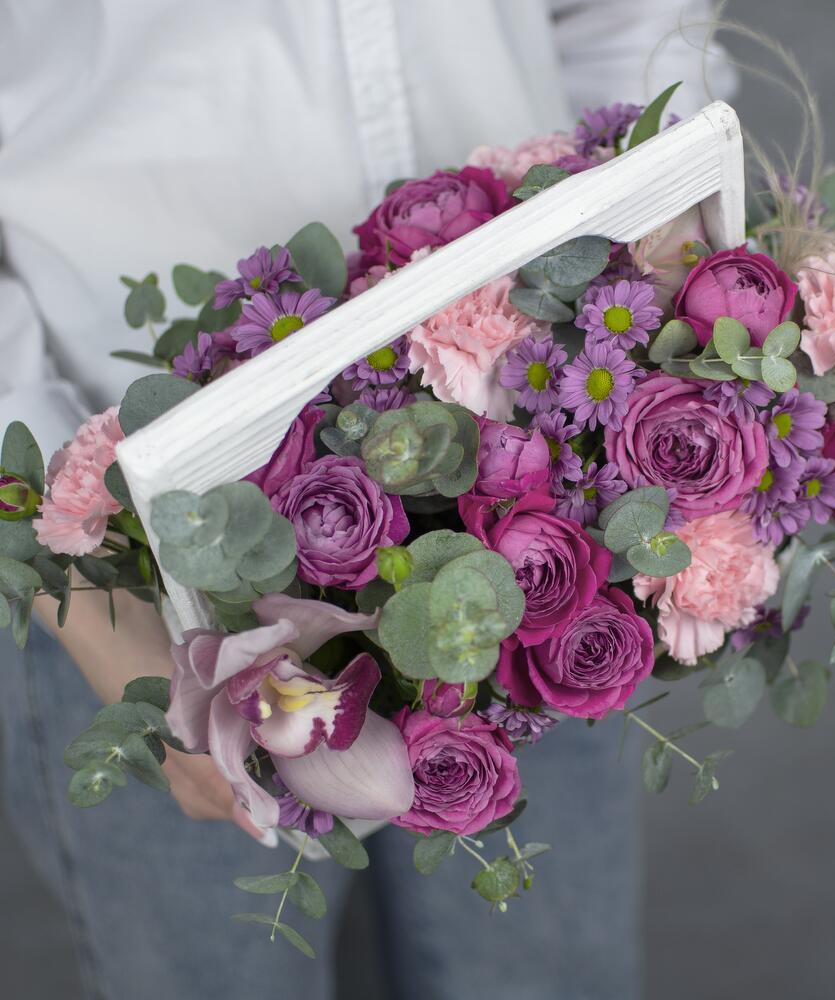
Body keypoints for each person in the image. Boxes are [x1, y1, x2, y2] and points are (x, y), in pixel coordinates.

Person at [0, 2, 734, 997]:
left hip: (542, 503)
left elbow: (628, 20)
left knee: (544, 974)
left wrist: (659, 246)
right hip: (148, 556)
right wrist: (94, 604)